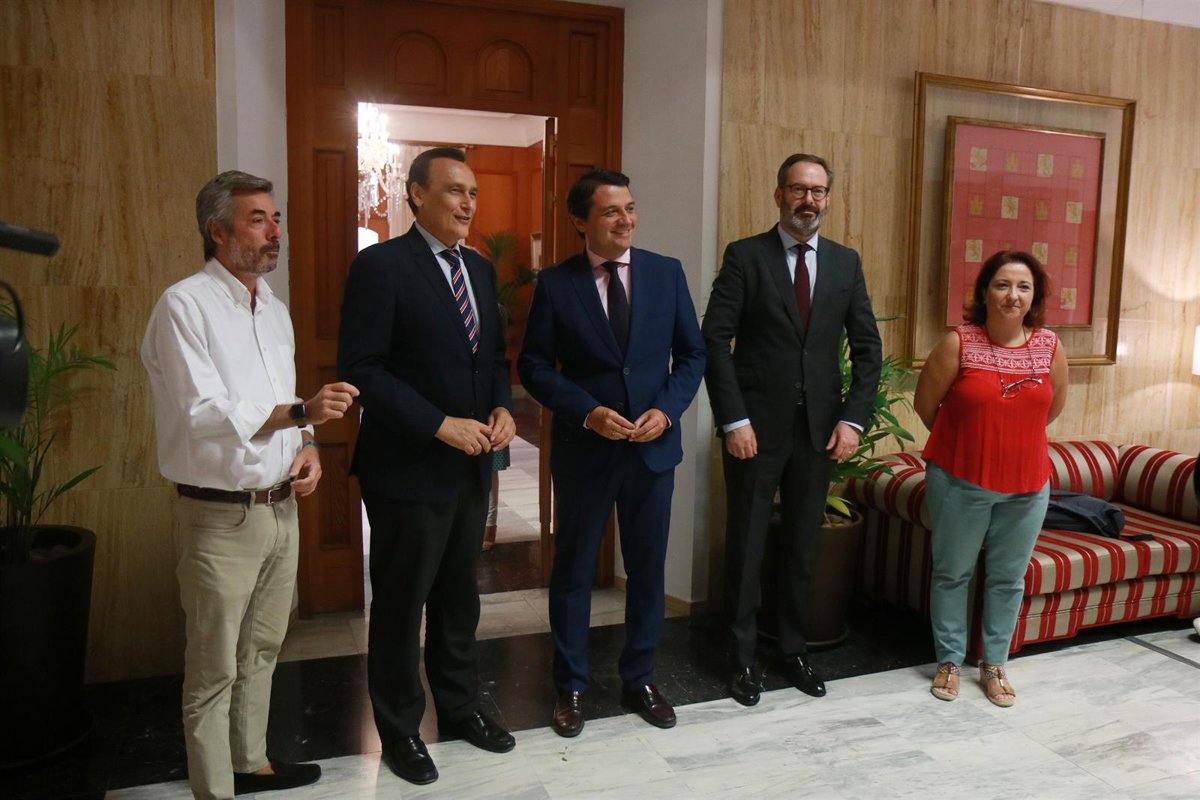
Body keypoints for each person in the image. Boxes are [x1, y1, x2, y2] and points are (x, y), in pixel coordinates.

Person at [142, 170, 359, 800]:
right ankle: (215, 789)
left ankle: (251, 763)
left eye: (276, 218)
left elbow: (283, 402)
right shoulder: (184, 306)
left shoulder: (275, 312)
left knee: (262, 647)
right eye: (258, 219)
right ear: (218, 231)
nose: (274, 232)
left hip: (280, 508)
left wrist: (308, 444)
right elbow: (204, 413)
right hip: (218, 517)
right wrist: (304, 413)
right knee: (213, 665)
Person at [337, 147, 516, 785]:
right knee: (401, 603)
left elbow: (492, 358)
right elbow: (363, 369)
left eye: (473, 193)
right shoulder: (381, 266)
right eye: (454, 191)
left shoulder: (481, 270)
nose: (468, 204)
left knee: (459, 599)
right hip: (407, 467)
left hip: (472, 466)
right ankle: (399, 730)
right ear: (416, 193)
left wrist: (502, 406)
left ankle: (461, 708)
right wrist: (439, 424)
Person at [518, 169, 705, 737]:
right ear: (581, 222)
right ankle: (570, 685)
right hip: (586, 452)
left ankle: (640, 679)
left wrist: (667, 411)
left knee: (647, 570)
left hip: (652, 451)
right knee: (574, 571)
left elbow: (692, 355)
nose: (626, 220)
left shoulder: (666, 273)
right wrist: (587, 412)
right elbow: (533, 366)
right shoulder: (557, 284)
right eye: (610, 211)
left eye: (630, 208)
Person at [702, 153, 881, 707]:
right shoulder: (745, 256)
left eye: (818, 191)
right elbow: (715, 341)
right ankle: (741, 656)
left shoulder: (846, 263)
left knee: (804, 544)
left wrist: (853, 419)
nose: (809, 200)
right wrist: (734, 419)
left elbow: (868, 350)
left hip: (820, 431)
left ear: (827, 198)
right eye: (799, 190)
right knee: (747, 543)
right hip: (754, 430)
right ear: (779, 194)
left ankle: (794, 649)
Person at [914, 250, 1068, 707]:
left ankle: (994, 665)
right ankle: (948, 661)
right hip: (960, 481)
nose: (1012, 295)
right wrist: (970, 445)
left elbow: (1053, 408)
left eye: (1023, 287)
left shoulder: (1050, 346)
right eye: (1002, 285)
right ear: (985, 292)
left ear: (1034, 296)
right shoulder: (958, 343)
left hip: (1028, 486)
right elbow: (927, 406)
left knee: (1008, 578)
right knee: (952, 574)